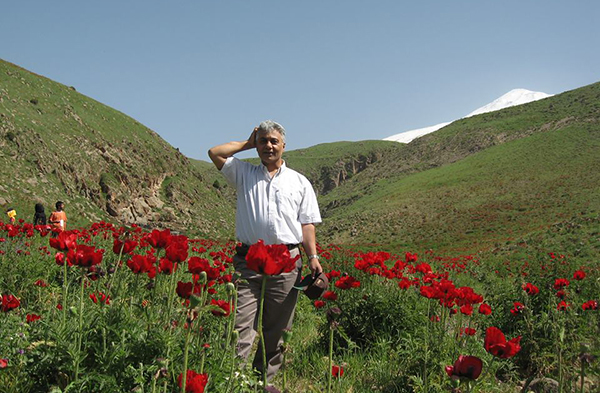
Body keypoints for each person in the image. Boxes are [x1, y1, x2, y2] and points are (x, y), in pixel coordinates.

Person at [208, 120, 323, 383]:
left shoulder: (300, 182)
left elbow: (307, 224)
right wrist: (247, 143)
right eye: (263, 141)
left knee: (277, 329)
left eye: (273, 141)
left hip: (286, 261)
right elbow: (215, 152)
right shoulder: (243, 173)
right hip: (249, 259)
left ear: (284, 145)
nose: (268, 146)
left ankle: (265, 383)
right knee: (241, 323)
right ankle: (234, 381)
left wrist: (313, 257)